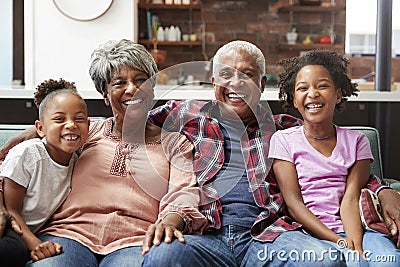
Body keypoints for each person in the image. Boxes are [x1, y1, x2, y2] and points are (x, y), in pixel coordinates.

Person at [142, 41, 400, 266]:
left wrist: (384, 190)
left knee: (323, 259)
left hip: (269, 237)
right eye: (226, 74)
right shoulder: (187, 114)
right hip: (207, 235)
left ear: (262, 84)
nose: (236, 83)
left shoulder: (285, 129)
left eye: (248, 74)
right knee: (162, 255)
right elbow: (129, 126)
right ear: (213, 82)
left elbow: (337, 164)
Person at [0, 39, 207, 267]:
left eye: (141, 80)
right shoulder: (86, 131)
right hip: (68, 235)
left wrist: (169, 222)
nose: (132, 89)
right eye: (119, 83)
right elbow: (11, 160)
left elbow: (183, 193)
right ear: (105, 94)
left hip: (135, 239)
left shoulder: (174, 143)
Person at [269, 49, 400, 266]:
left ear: (338, 94)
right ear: (293, 99)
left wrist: (355, 245)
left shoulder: (357, 141)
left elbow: (349, 198)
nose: (312, 94)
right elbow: (294, 205)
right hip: (310, 234)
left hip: (358, 228)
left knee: (389, 261)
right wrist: (340, 242)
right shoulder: (283, 140)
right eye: (303, 88)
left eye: (322, 86)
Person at [0, 78, 90, 266]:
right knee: (13, 251)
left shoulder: (77, 160)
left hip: (28, 231)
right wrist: (35, 244)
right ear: (40, 128)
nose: (71, 125)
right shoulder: (28, 154)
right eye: (59, 119)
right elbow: (10, 209)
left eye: (79, 119)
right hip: (9, 224)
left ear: (88, 126)